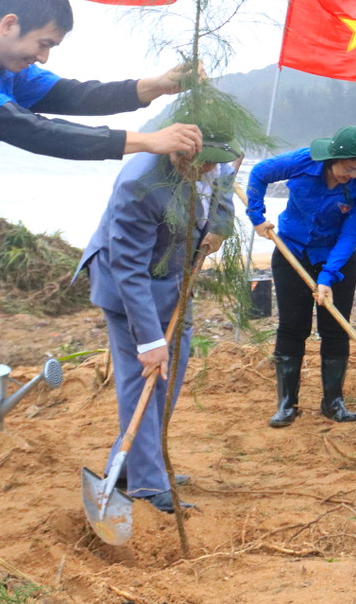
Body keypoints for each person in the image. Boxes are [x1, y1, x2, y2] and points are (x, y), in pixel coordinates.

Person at [0, 0, 201, 541]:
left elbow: (67, 96)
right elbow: (26, 129)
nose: (44, 57)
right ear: (9, 24)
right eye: (43, 43)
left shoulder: (3, 70)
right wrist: (144, 140)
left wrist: (149, 86)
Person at [80, 126, 240, 513]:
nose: (207, 171)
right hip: (129, 286)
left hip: (174, 279)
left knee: (171, 376)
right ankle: (148, 486)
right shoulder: (140, 185)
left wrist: (218, 226)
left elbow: (224, 186)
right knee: (145, 378)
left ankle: (134, 464)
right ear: (178, 151)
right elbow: (128, 267)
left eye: (211, 164)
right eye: (198, 165)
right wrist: (150, 342)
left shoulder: (214, 160)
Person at [245, 126, 356, 427]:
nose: (354, 175)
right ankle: (287, 404)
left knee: (335, 328)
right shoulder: (303, 161)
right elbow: (258, 174)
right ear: (332, 159)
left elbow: (350, 234)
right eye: (348, 169)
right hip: (292, 252)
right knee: (292, 327)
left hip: (337, 259)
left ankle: (333, 402)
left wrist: (328, 277)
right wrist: (256, 216)